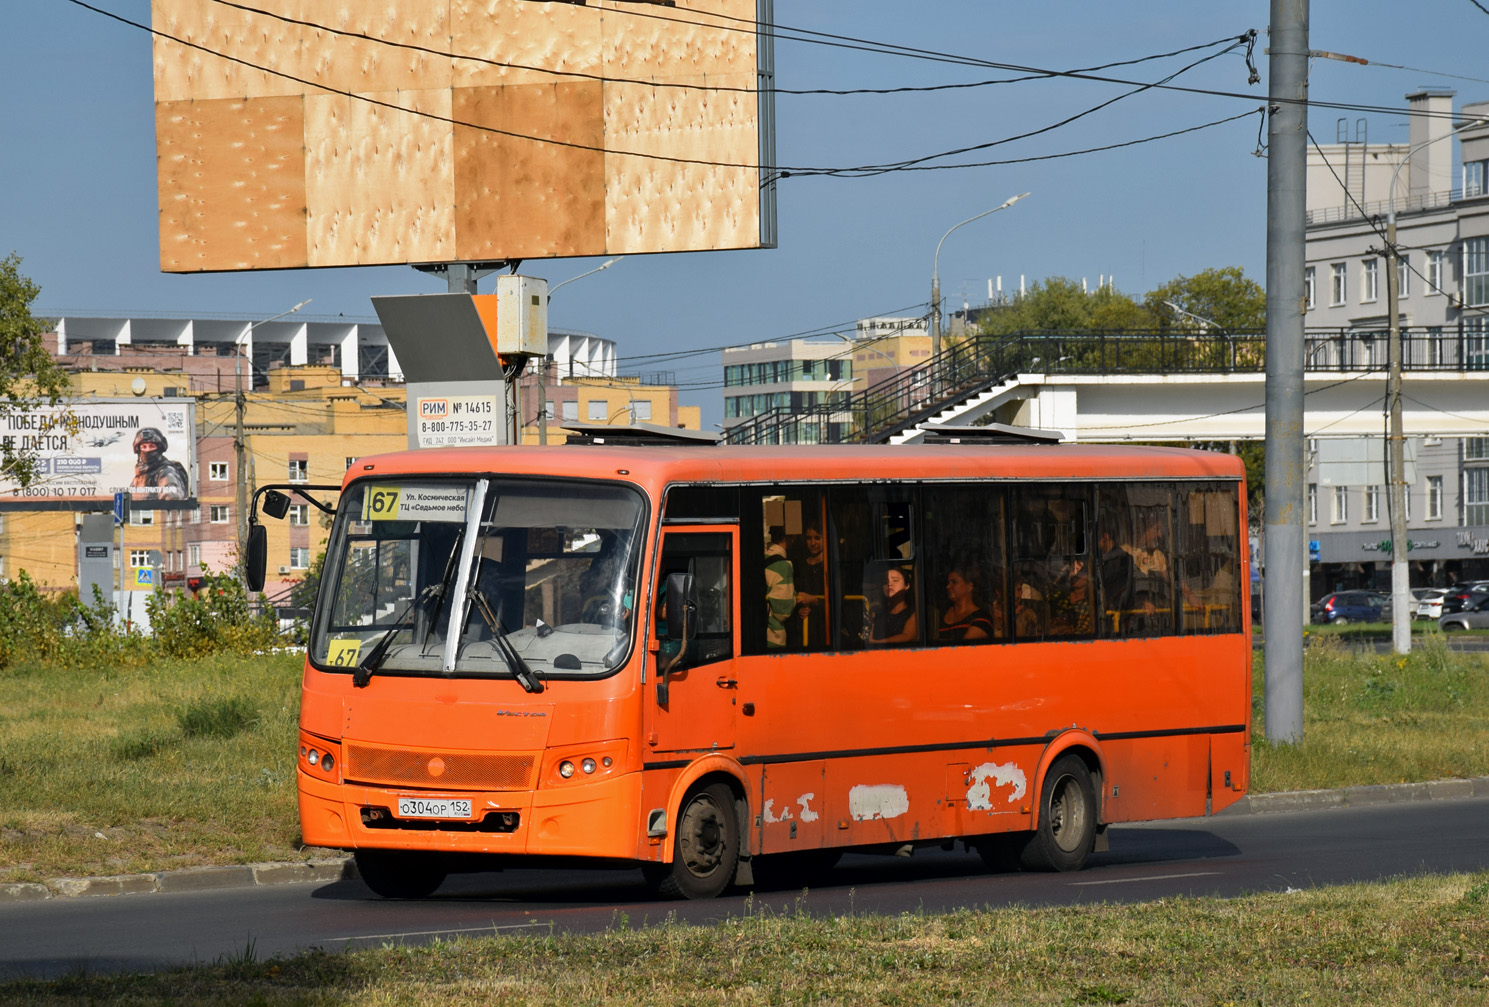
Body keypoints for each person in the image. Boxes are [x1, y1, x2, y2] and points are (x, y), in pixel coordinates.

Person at [938, 564, 995, 643]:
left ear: (970, 586)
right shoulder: (940, 615)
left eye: (954, 582)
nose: (948, 586)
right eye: (948, 582)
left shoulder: (982, 619)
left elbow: (963, 649)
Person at [792, 524, 827, 648]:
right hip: (804, 627)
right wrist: (799, 609)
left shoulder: (831, 565)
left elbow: (839, 600)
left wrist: (813, 600)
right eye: (809, 538)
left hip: (826, 629)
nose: (812, 543)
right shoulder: (800, 565)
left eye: (817, 538)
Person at [128, 427, 188, 500]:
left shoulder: (166, 471)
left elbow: (171, 499)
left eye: (152, 446)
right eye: (143, 447)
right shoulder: (139, 475)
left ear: (159, 448)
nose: (147, 450)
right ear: (138, 450)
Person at [870, 566, 918, 645]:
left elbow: (907, 636)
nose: (889, 584)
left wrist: (879, 643)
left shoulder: (914, 613)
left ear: (907, 586)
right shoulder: (876, 612)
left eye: (895, 580)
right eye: (885, 581)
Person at [764, 527, 795, 649]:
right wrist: (796, 598)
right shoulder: (783, 565)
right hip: (773, 635)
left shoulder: (765, 555)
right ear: (791, 537)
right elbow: (783, 611)